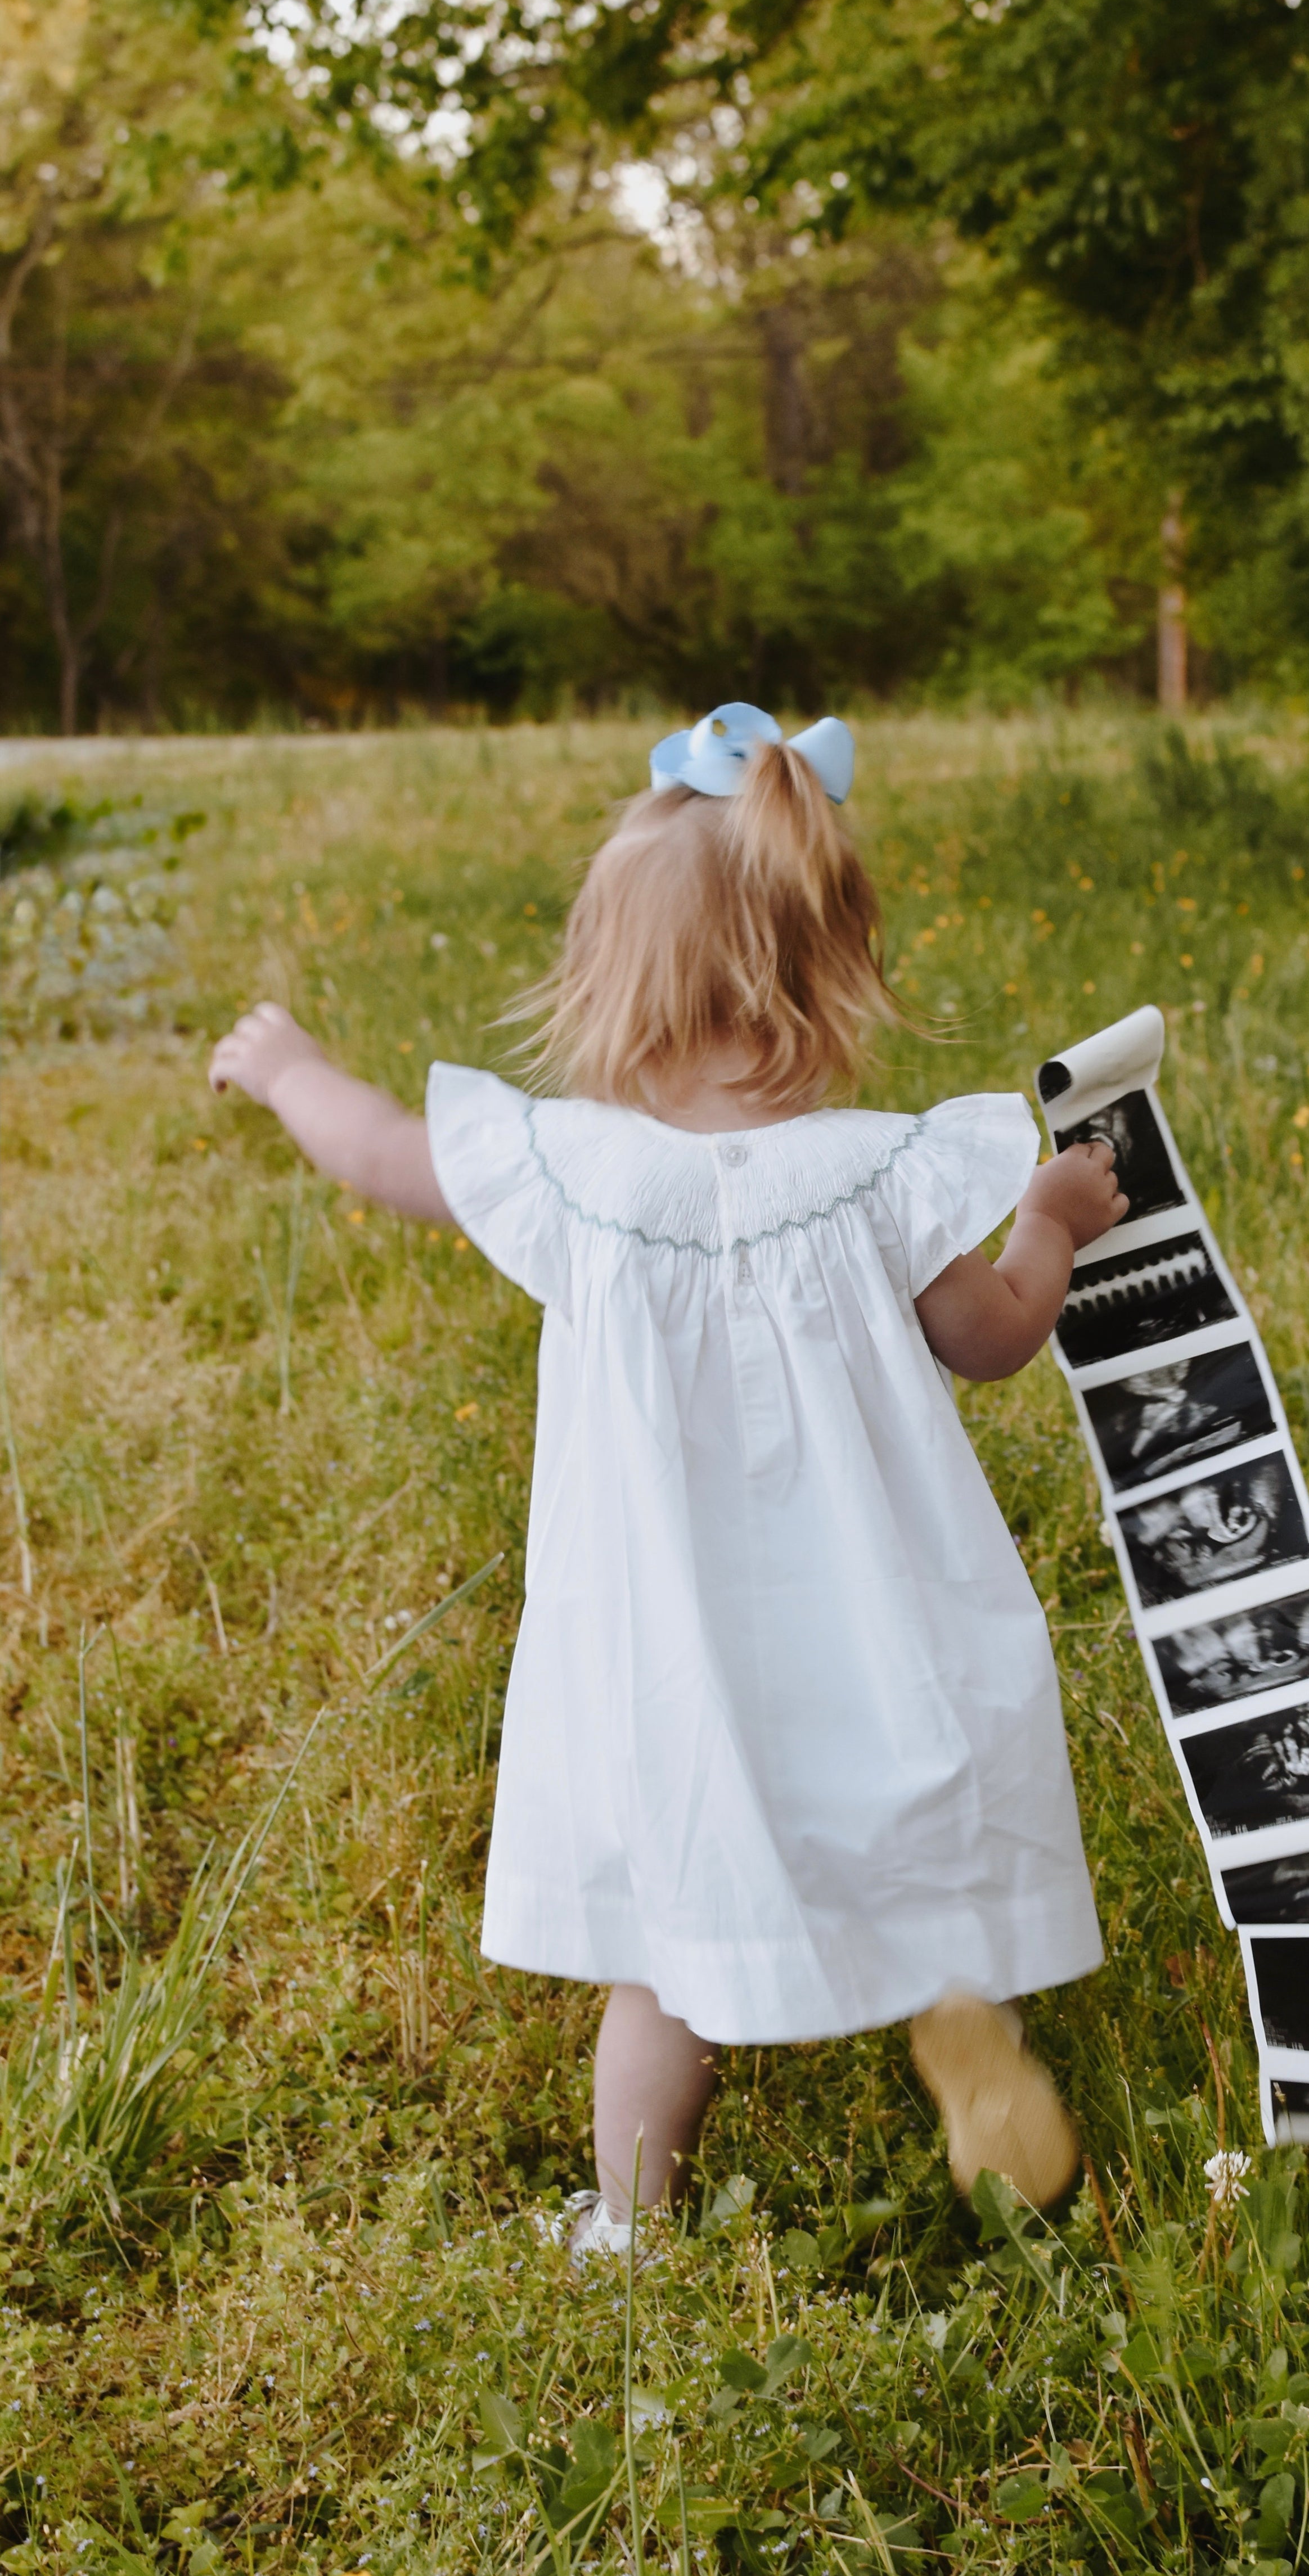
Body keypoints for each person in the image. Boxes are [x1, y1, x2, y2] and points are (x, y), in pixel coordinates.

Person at [208, 701, 1126, 2256]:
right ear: (826, 978)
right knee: (911, 1868)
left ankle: (633, 2224)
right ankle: (953, 2026)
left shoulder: (578, 1177)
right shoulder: (879, 1175)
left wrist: (292, 1068)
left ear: (613, 989)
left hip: (666, 1658)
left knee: (664, 1951)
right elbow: (997, 1335)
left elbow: (377, 1152)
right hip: (874, 1637)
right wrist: (1051, 1215)